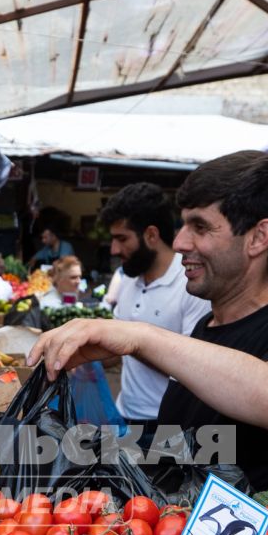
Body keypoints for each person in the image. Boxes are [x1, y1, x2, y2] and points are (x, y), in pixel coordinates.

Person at [28, 151, 268, 490]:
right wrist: (86, 449)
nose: (178, 243)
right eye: (183, 225)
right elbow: (191, 445)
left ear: (258, 237)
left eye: (200, 227)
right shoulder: (206, 329)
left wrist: (142, 337)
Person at [97, 182, 210, 431]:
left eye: (122, 239)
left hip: (168, 428)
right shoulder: (127, 280)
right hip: (122, 416)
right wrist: (85, 358)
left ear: (151, 235)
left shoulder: (192, 287)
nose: (114, 249)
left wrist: (136, 343)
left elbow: (194, 371)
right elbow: (117, 352)